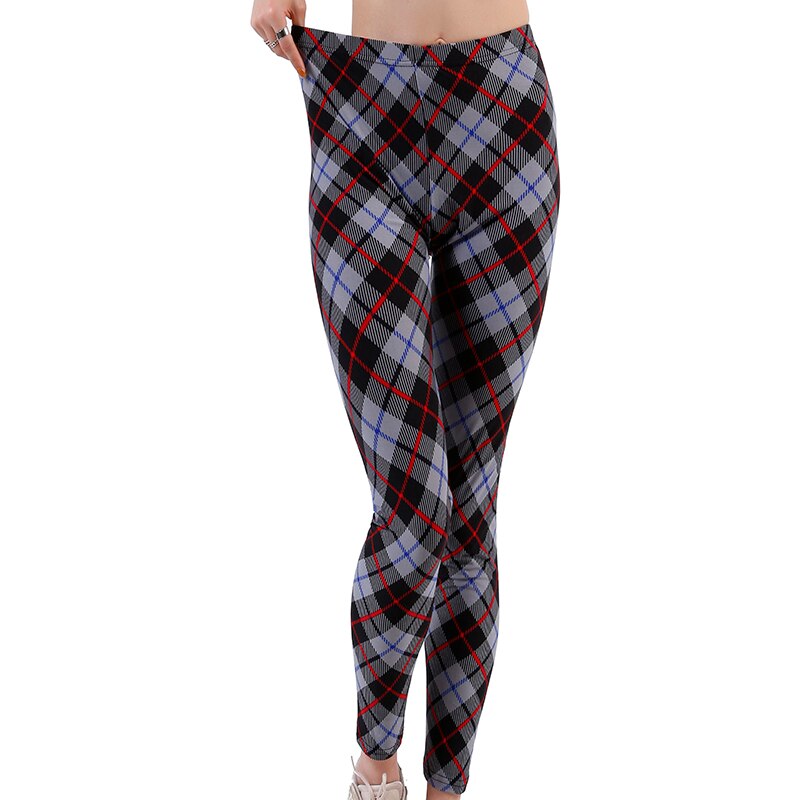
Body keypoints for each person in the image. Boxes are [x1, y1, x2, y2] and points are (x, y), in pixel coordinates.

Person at [250, 1, 560, 797]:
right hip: (362, 110)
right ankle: (375, 764)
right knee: (415, 510)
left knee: (471, 509)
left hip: (503, 110)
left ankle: (449, 786)